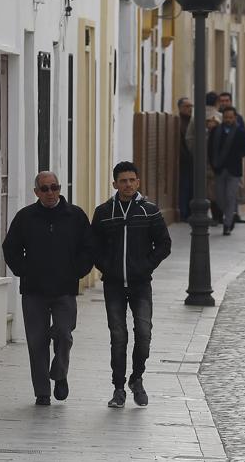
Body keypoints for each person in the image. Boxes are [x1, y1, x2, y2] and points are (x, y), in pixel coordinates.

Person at [1, 171, 93, 406]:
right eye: (45, 189)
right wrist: (26, 270)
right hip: (34, 291)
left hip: (65, 289)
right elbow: (10, 248)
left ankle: (60, 373)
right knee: (37, 341)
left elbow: (89, 247)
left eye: (54, 187)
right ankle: (42, 391)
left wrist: (77, 271)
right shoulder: (25, 217)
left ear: (60, 188)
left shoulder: (75, 216)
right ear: (36, 192)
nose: (51, 193)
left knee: (64, 333)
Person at [91, 161, 172, 409]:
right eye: (123, 181)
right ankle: (118, 388)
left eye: (132, 180)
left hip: (140, 285)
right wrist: (109, 268)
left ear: (138, 182)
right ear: (115, 184)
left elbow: (164, 245)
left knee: (144, 333)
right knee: (118, 336)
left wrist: (144, 267)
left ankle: (137, 379)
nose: (127, 185)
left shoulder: (150, 211)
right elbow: (94, 246)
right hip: (113, 285)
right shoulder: (104, 212)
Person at [208, 106, 245, 236]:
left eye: (231, 117)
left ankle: (227, 224)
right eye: (226, 117)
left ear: (235, 118)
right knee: (219, 198)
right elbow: (209, 150)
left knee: (230, 196)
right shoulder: (215, 131)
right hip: (219, 170)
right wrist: (213, 166)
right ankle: (230, 214)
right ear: (222, 117)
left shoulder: (241, 133)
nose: (228, 120)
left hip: (234, 171)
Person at [216, 92, 245, 224]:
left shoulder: (238, 118)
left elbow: (244, 138)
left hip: (234, 163)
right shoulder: (217, 118)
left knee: (232, 192)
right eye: (222, 100)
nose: (224, 103)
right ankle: (227, 214)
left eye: (226, 100)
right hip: (220, 164)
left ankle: (232, 216)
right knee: (220, 194)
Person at [176, 97, 194, 221]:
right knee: (185, 186)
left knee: (192, 186)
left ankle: (189, 211)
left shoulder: (192, 122)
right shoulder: (178, 122)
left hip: (192, 160)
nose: (189, 109)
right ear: (180, 108)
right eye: (186, 106)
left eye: (190, 106)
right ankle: (183, 212)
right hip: (183, 160)